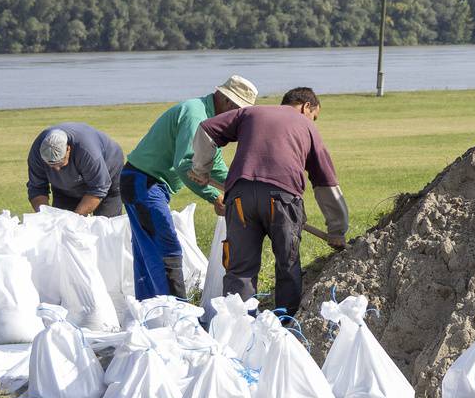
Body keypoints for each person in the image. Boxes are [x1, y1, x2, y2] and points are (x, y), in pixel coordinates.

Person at [188, 86, 349, 320]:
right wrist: (337, 229)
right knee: (287, 264)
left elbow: (207, 129)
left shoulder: (250, 113)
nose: (314, 122)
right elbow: (325, 181)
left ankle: (237, 330)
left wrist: (201, 168)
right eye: (315, 116)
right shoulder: (306, 127)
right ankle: (284, 329)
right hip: (282, 199)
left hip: (240, 197)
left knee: (240, 270)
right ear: (306, 107)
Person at [119, 75, 259, 302]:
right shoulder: (196, 115)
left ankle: (151, 313)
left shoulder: (210, 119)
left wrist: (240, 187)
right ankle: (177, 316)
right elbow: (186, 164)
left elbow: (215, 164)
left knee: (147, 254)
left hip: (144, 182)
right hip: (143, 183)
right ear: (227, 102)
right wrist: (215, 196)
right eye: (237, 112)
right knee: (167, 250)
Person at [27, 122, 127, 217]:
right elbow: (37, 188)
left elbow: (99, 188)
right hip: (65, 188)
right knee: (62, 227)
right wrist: (45, 216)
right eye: (51, 165)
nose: (57, 169)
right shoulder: (36, 153)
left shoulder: (88, 152)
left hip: (107, 175)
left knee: (106, 225)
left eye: (60, 164)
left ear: (68, 149)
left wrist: (74, 219)